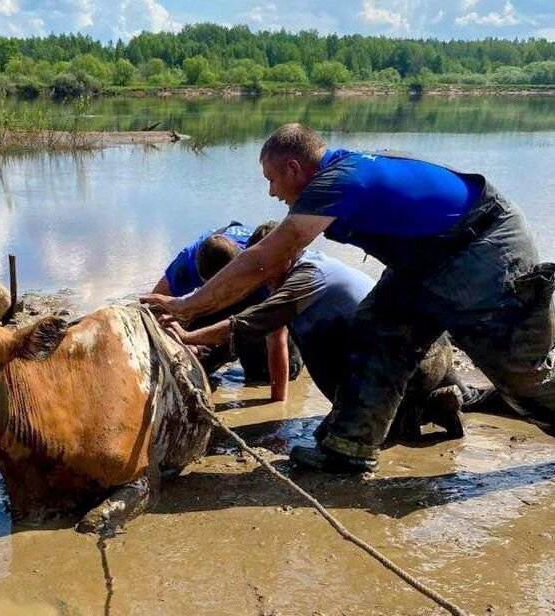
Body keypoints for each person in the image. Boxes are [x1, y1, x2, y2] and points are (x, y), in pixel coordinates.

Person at [142, 123, 554, 473]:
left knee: (522, 374)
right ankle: (349, 447)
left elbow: (265, 259)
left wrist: (187, 306)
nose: (271, 193)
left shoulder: (336, 181)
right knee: (377, 328)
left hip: (483, 245)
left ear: (293, 168)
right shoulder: (343, 169)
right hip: (425, 258)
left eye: (272, 179)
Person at [163, 234, 488, 446]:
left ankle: (419, 411)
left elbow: (253, 324)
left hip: (407, 361)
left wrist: (190, 336)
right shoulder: (317, 263)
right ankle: (435, 402)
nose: (261, 276)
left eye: (264, 268)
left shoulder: (303, 281)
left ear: (283, 258)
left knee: (335, 442)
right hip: (428, 348)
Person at [152, 221, 302, 398]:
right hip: (212, 305)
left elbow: (277, 339)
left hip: (257, 302)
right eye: (210, 289)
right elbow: (156, 303)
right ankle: (210, 350)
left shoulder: (265, 270)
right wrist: (175, 337)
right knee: (188, 362)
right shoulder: (188, 262)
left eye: (224, 293)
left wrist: (278, 403)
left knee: (272, 374)